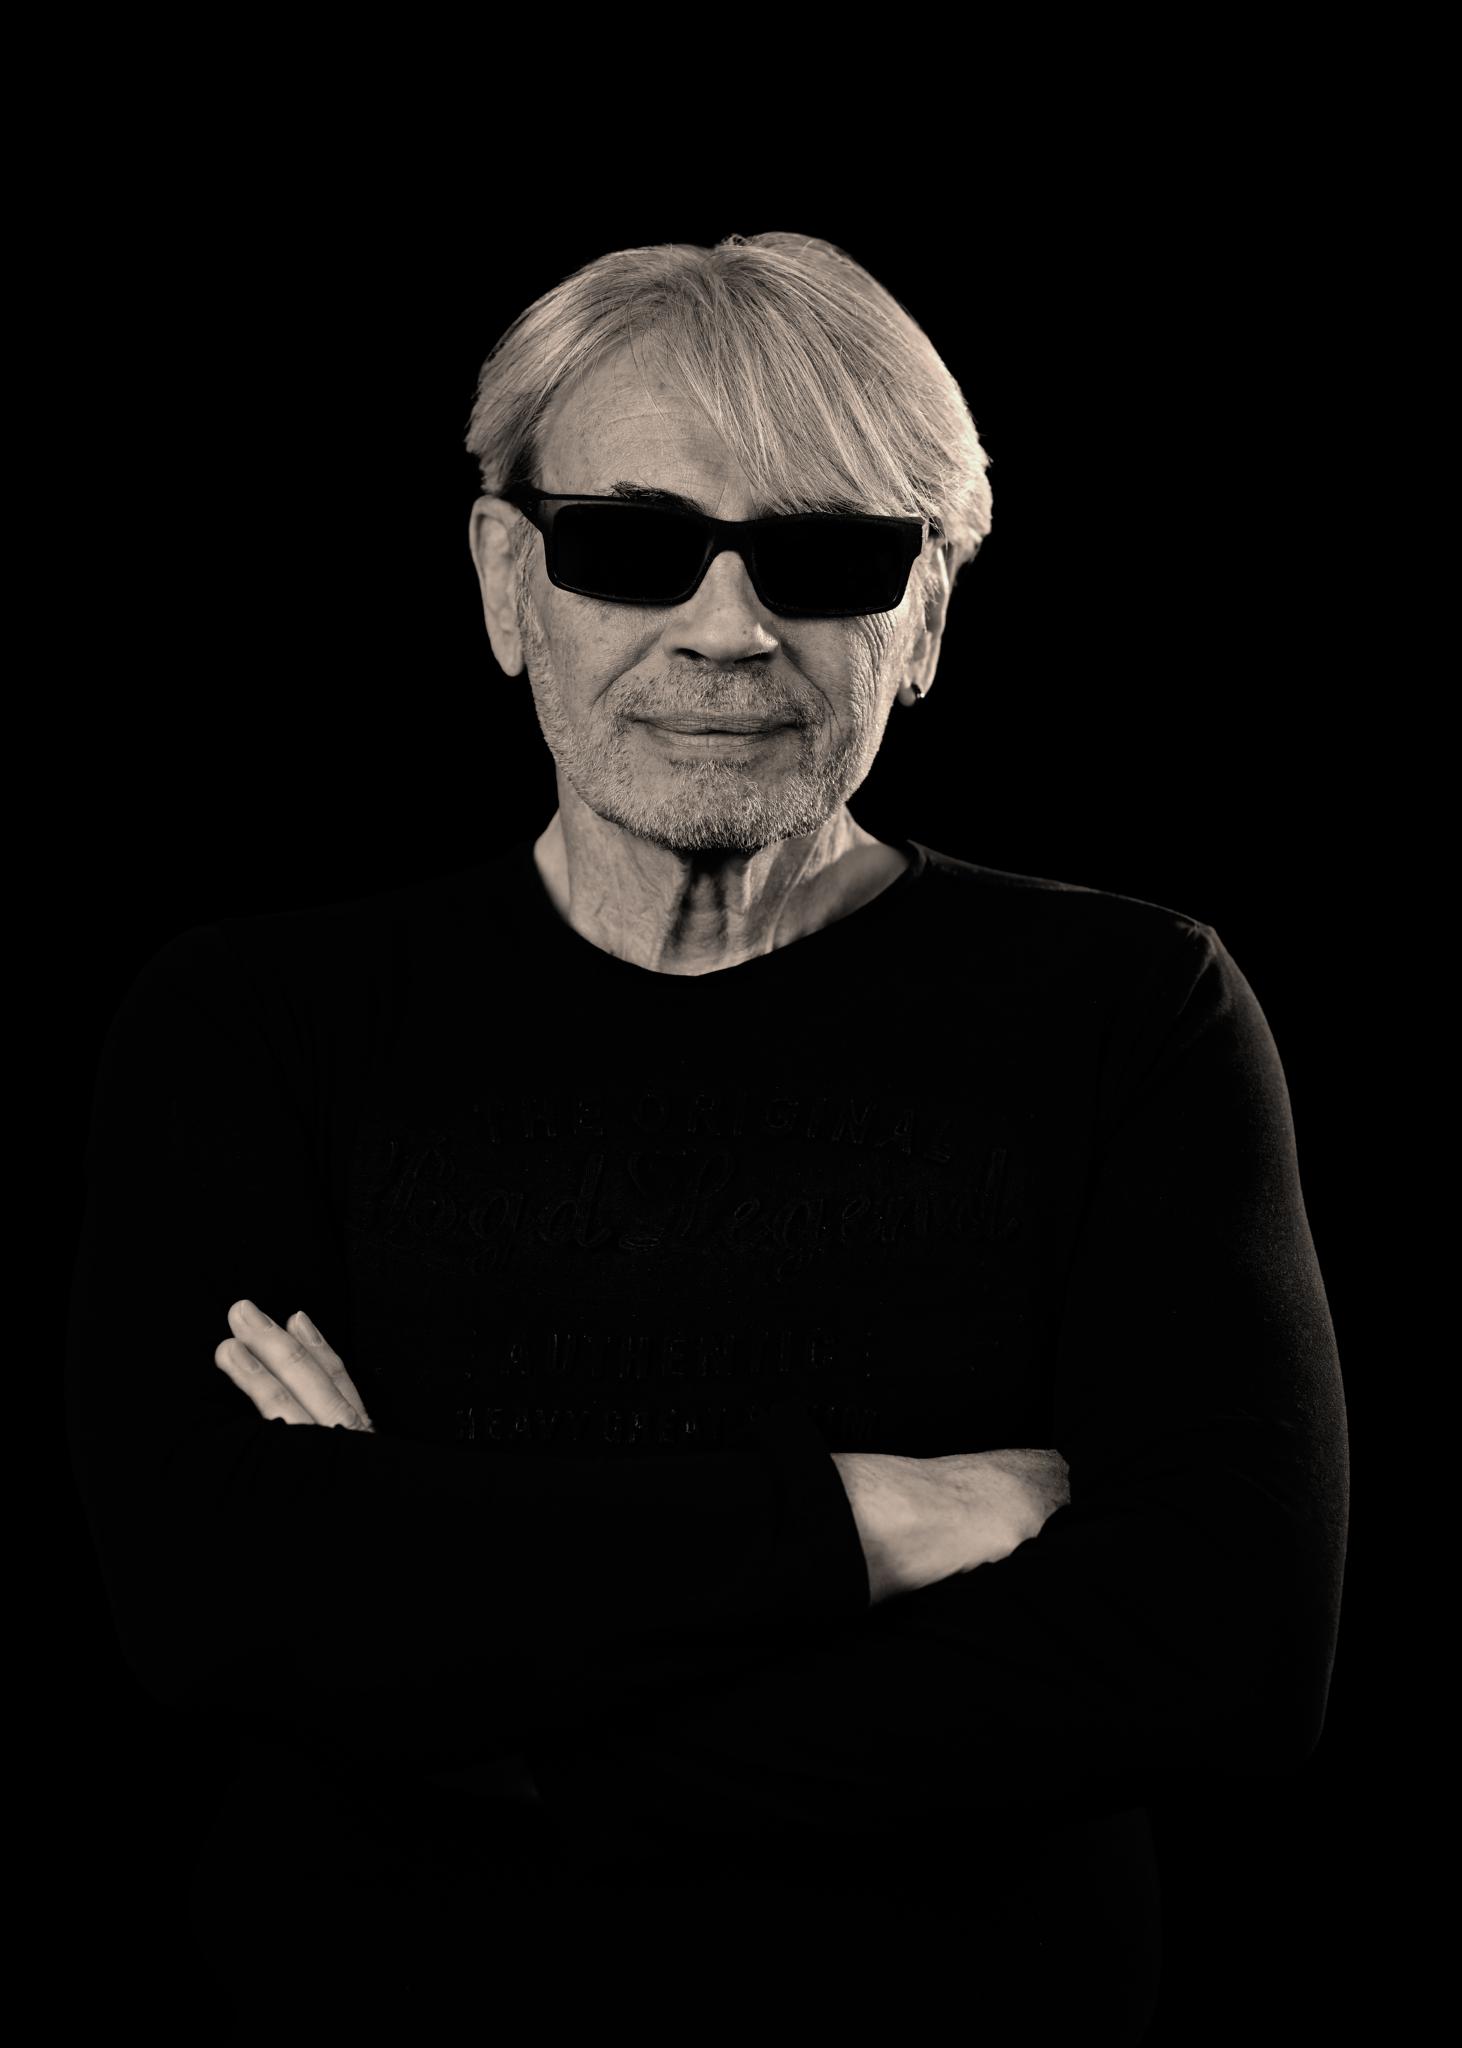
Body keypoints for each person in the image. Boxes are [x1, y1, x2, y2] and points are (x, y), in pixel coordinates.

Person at [65, 231, 1349, 2045]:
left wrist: (466, 1653)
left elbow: (1220, 1651)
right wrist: (874, 1519)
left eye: (826, 557)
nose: (728, 627)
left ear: (926, 616)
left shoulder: (1131, 1013)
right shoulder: (259, 1023)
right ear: (506, 582)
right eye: (629, 543)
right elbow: (218, 1599)